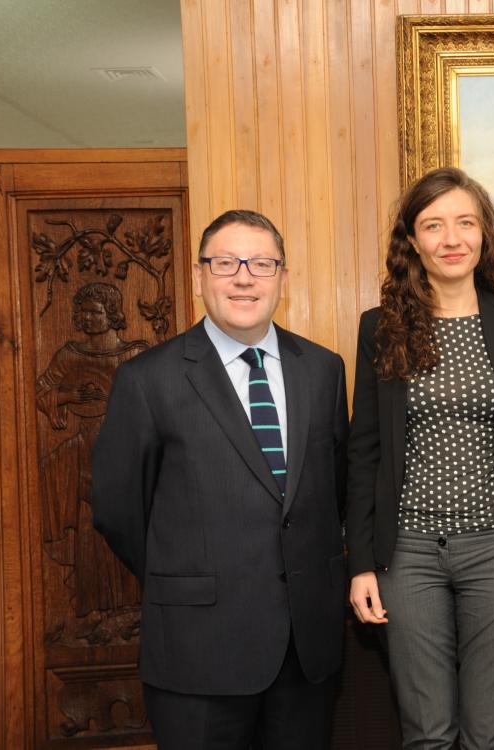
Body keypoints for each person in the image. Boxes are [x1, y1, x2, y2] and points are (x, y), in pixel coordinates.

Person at [91, 209, 350, 749]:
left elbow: (336, 491)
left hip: (305, 653)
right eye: (226, 262)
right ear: (199, 275)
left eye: (261, 262)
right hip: (197, 651)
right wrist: (187, 577)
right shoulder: (147, 379)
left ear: (282, 276)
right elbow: (119, 511)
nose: (244, 276)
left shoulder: (323, 370)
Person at [346, 166, 494, 749]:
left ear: (484, 234)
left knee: (491, 733)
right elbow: (364, 452)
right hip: (408, 555)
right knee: (427, 734)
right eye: (434, 225)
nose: (452, 238)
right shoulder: (381, 328)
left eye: (465, 223)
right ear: (412, 240)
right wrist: (361, 564)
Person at [37, 282, 148, 617]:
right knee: (88, 521)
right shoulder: (70, 354)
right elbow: (42, 390)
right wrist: (69, 394)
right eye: (82, 312)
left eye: (95, 312)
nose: (87, 318)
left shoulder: (135, 353)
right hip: (86, 444)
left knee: (126, 517)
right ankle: (92, 607)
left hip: (127, 450)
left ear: (111, 314)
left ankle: (129, 607)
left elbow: (157, 394)